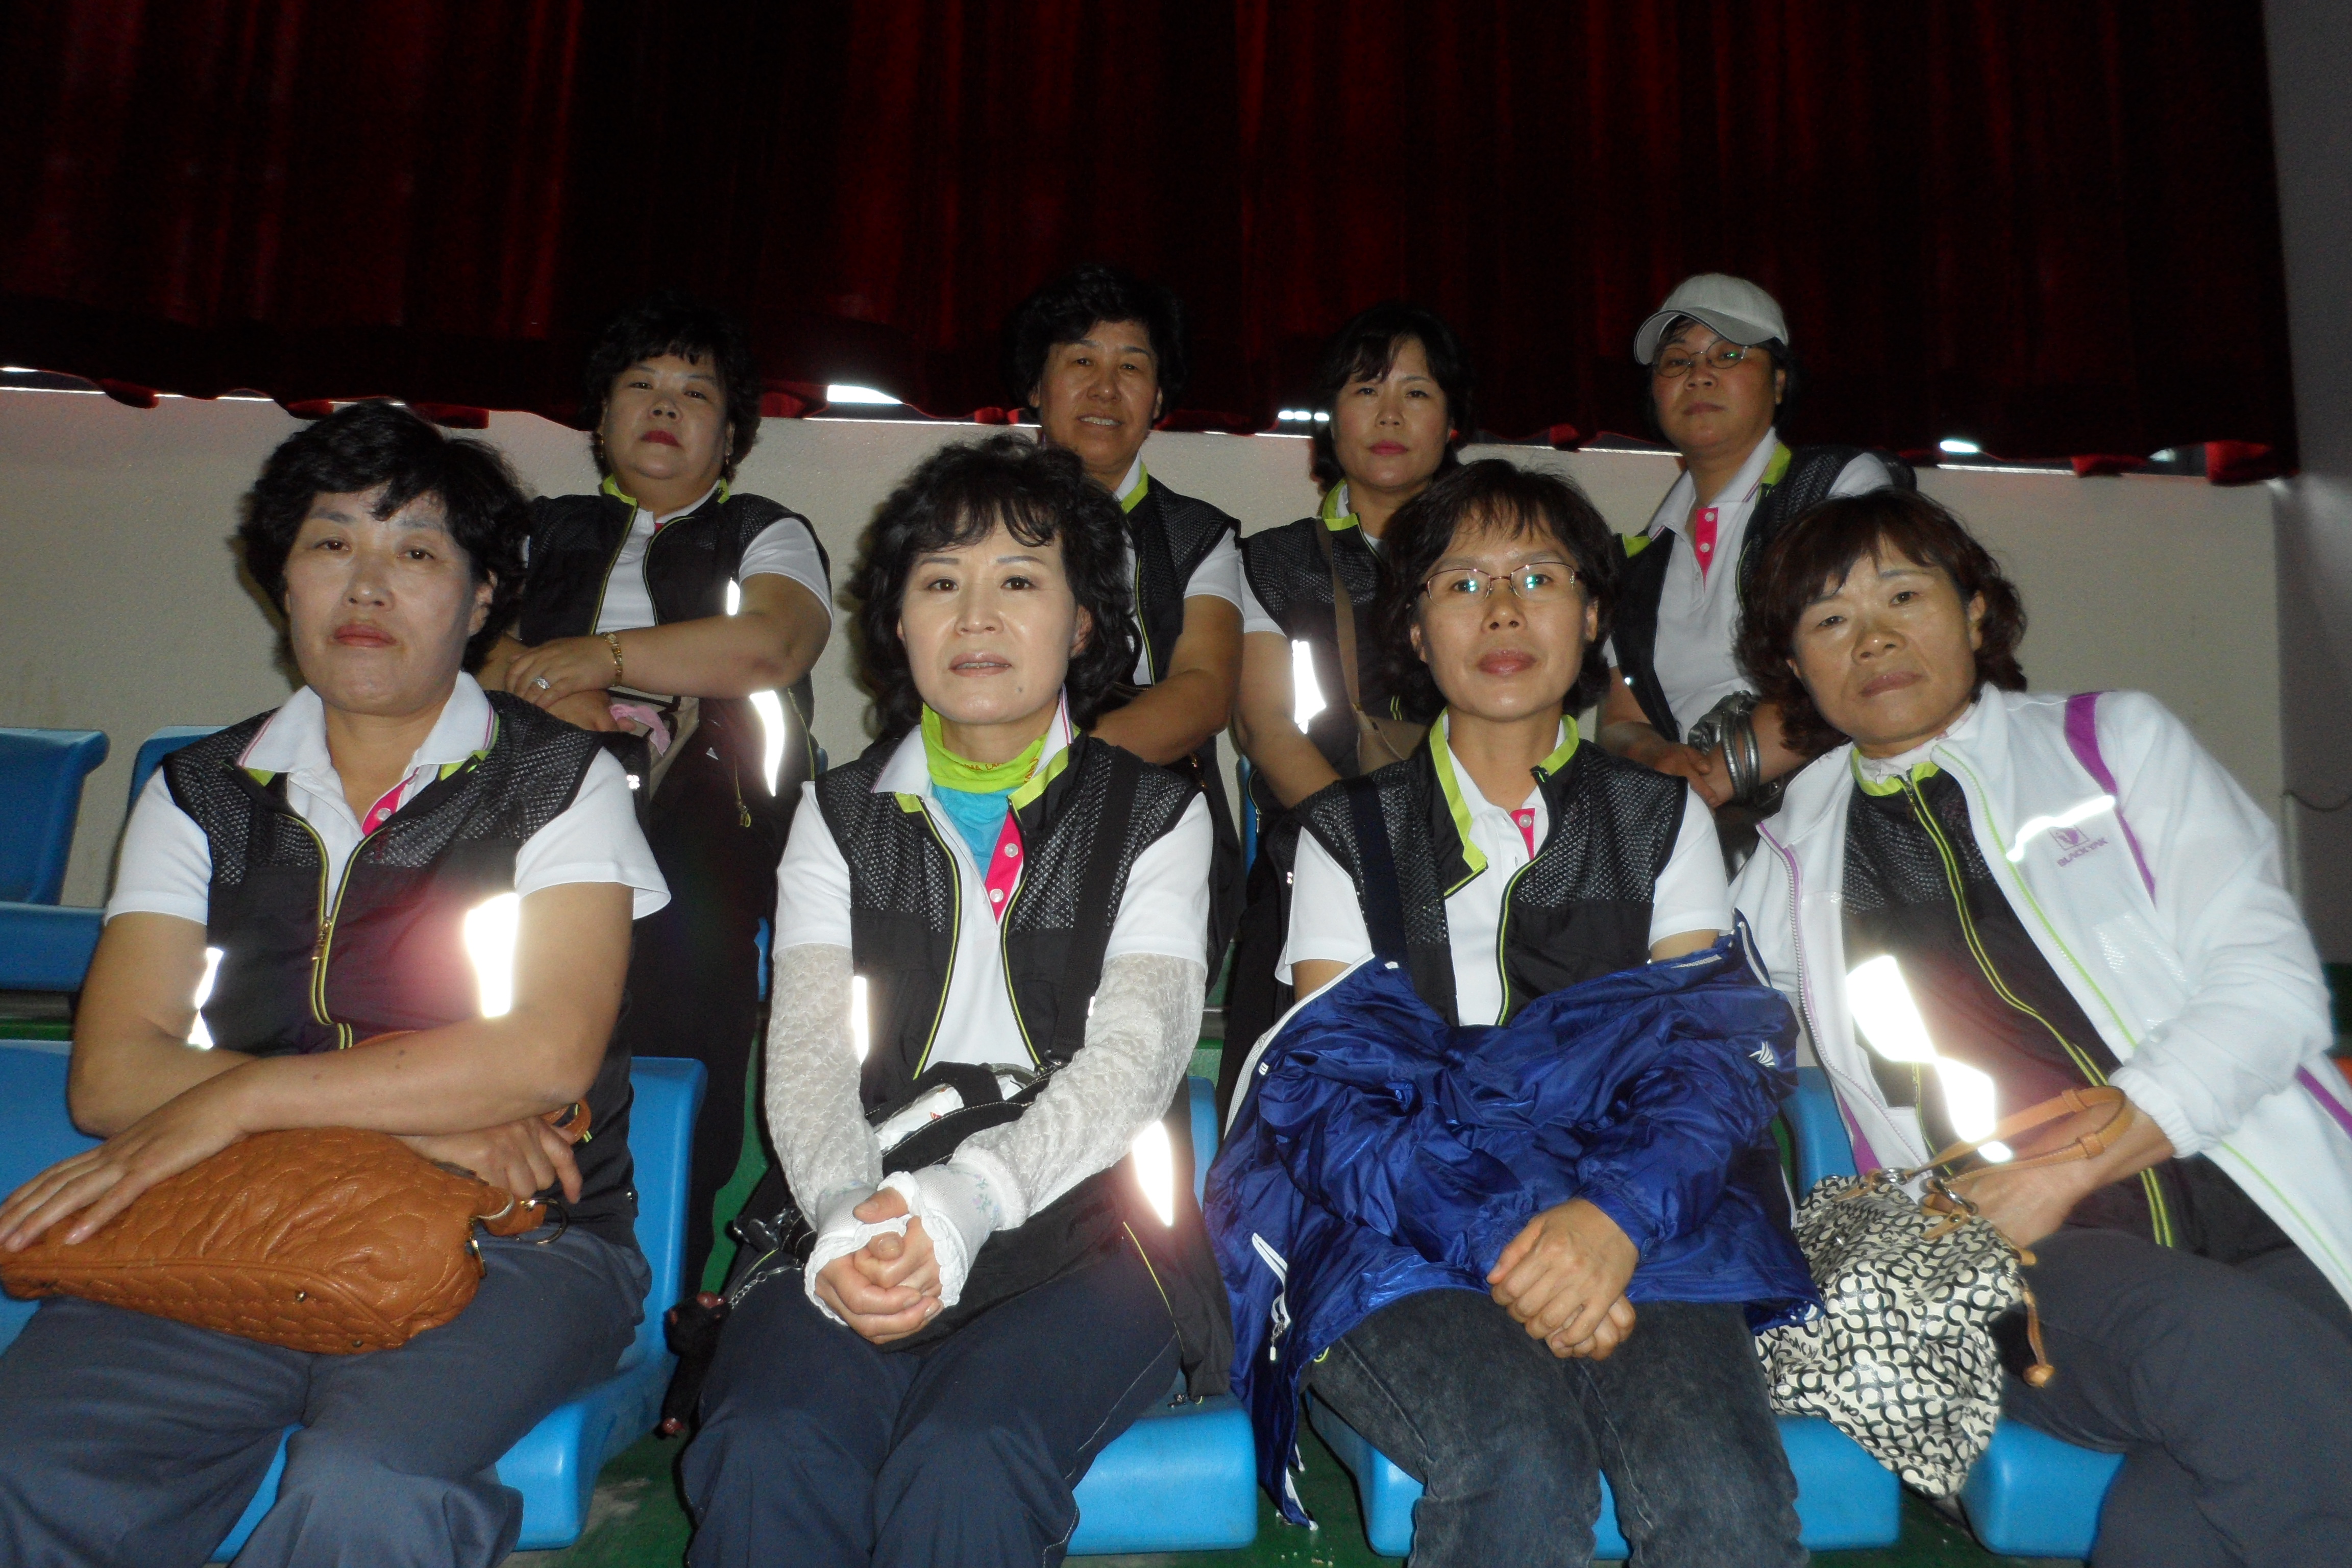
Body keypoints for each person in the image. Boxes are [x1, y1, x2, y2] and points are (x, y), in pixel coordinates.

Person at [0, 401, 669, 1566]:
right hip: (233, 1215)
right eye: (330, 543)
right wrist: (414, 1121)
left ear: (481, 598)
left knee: (369, 1486)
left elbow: (543, 1055)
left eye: (415, 551)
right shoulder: (199, 792)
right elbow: (110, 1074)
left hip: (515, 1237)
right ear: (282, 580)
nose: (366, 584)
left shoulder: (562, 784)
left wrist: (239, 1097)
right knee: (30, 1459)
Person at [1730, 488, 2352, 1566]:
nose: (1872, 637)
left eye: (1903, 596)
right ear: (1795, 666)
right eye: (1830, 619)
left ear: (1975, 611)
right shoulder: (1788, 859)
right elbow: (1719, 1049)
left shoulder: (2111, 747)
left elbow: (2270, 985)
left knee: (2173, 1527)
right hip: (2022, 1257)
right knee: (2222, 1349)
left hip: (2268, 1198)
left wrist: (2073, 1161)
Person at [681, 436, 1229, 1567]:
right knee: (768, 1444)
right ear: (899, 622)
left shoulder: (1156, 816)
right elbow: (808, 1060)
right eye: (941, 582)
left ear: (1083, 623)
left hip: (1093, 1225)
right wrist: (851, 1216)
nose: (976, 615)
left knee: (968, 1459)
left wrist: (968, 1199)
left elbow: (1135, 1061)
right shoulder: (837, 817)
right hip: (857, 1203)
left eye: (1019, 580)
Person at [1258, 458, 1809, 1566]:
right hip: (1401, 1222)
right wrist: (1520, 1243)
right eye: (1462, 583)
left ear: (1593, 615)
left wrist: (1610, 1222)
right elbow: (1334, 1098)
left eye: (1539, 577)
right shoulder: (1344, 834)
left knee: (1723, 1492)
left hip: (1640, 1218)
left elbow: (1713, 1057)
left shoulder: (1662, 819)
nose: (1503, 609)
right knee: (1517, 1459)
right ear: (1414, 627)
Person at [484, 290, 832, 1288]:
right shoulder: (536, 531)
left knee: (686, 992)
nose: (666, 406)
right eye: (641, 385)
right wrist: (555, 693)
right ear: (601, 418)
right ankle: (493, 1247)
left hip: (705, 816)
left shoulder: (763, 531)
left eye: (696, 392)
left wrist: (596, 659)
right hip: (530, 799)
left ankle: (661, 1283)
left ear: (733, 437)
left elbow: (770, 645)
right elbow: (460, 640)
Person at [1222, 301, 1470, 1114]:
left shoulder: (1494, 554)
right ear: (1330, 418)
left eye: (1416, 392)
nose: (1389, 415)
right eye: (1366, 391)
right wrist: (1371, 845)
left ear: (1452, 420)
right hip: (1313, 855)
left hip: (1475, 856)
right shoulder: (1273, 560)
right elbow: (1265, 726)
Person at [1599, 273, 1901, 836]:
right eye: (1677, 361)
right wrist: (1656, 758)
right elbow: (1619, 719)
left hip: (1842, 809)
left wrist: (1720, 775)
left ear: (1780, 381)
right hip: (1697, 823)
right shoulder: (1635, 562)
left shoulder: (1836, 487)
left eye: (1729, 354)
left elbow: (1856, 660)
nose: (1700, 374)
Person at [1004, 262, 1245, 964]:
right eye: (1081, 361)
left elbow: (1203, 692)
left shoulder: (1198, 535)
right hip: (988, 774)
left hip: (1152, 792)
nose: (1105, 389)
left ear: (1159, 395)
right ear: (1036, 385)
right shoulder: (972, 517)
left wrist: (1055, 776)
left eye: (1132, 367)